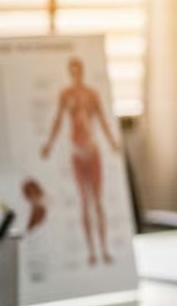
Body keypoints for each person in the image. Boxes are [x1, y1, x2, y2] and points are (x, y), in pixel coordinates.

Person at [41, 57, 121, 266]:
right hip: (77, 151)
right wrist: (49, 144)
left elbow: (103, 119)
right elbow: (58, 120)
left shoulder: (92, 94)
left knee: (97, 201)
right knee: (84, 202)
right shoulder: (65, 95)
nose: (76, 74)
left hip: (92, 150)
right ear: (70, 72)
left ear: (82, 71)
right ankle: (92, 252)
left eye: (78, 70)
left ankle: (104, 249)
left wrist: (113, 142)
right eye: (73, 71)